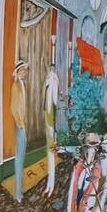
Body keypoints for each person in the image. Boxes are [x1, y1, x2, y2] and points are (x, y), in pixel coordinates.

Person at [9, 59, 28, 208]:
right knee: (19, 158)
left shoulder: (22, 85)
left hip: (23, 125)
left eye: (24, 70)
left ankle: (19, 191)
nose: (24, 72)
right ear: (17, 72)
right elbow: (13, 108)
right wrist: (20, 123)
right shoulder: (15, 86)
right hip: (19, 126)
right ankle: (17, 193)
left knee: (22, 157)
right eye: (21, 70)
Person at [43, 65, 59, 196]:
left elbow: (55, 102)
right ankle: (49, 184)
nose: (49, 74)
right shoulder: (47, 84)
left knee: (51, 154)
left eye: (51, 72)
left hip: (52, 125)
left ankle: (52, 185)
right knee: (48, 155)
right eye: (49, 72)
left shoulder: (53, 84)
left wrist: (55, 82)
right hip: (47, 123)